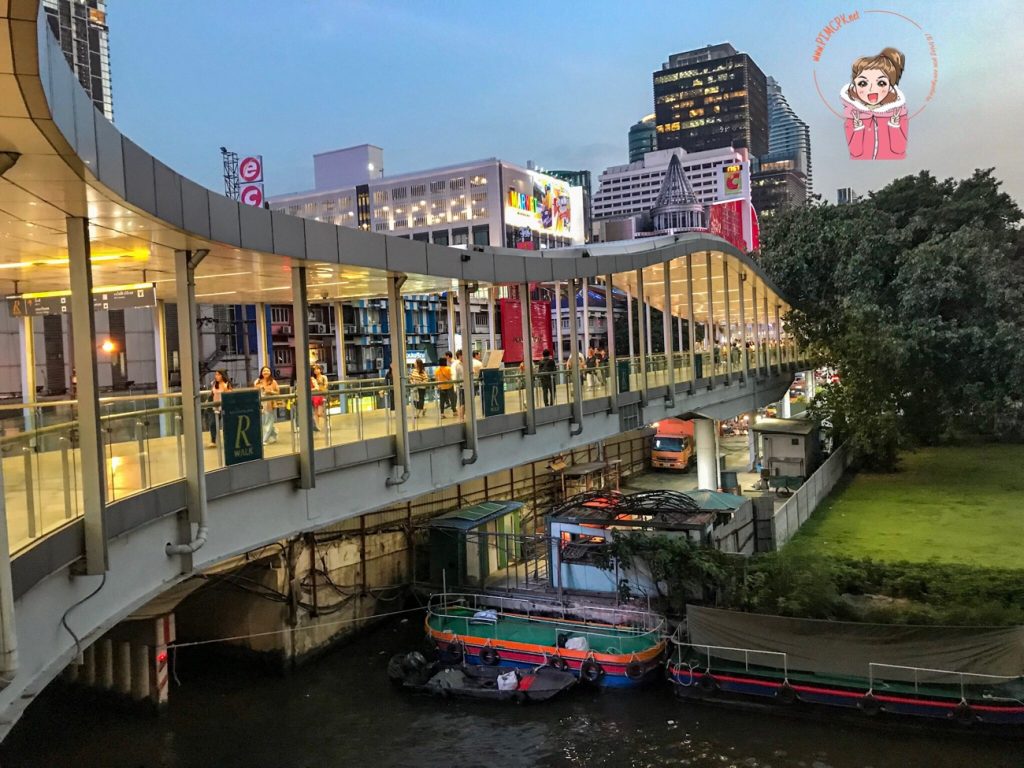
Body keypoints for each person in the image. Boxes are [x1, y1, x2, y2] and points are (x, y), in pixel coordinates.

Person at [841, 47, 908, 160]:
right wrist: (858, 128)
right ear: (855, 85)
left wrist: (894, 125)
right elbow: (855, 152)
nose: (872, 89)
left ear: (890, 86)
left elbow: (899, 149)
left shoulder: (898, 112)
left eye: (881, 83)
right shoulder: (852, 114)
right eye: (863, 83)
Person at [254, 366, 280, 444]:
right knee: (263, 421)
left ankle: (264, 439)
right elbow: (255, 392)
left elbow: (277, 392)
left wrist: (271, 392)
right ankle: (273, 434)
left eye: (267, 371)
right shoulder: (258, 381)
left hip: (270, 403)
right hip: (261, 404)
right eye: (264, 371)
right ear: (261, 372)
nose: (266, 372)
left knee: (269, 421)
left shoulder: (273, 382)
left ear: (270, 372)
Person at [208, 370, 231, 448]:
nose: (216, 376)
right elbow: (212, 394)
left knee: (226, 424)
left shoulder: (227, 384)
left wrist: (225, 389)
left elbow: (229, 395)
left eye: (218, 375)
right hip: (215, 407)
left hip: (224, 407)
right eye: (216, 375)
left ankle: (227, 440)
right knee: (212, 423)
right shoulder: (214, 384)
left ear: (223, 375)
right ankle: (213, 440)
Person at [310, 364, 328, 432]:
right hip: (315, 396)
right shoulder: (313, 378)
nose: (316, 370)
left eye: (317, 369)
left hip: (322, 395)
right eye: (315, 369)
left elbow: (326, 385)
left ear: (321, 370)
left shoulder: (324, 377)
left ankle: (327, 419)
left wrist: (322, 389)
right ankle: (317, 426)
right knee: (315, 413)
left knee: (319, 413)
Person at [453, 350, 466, 419]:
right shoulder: (458, 365)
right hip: (462, 387)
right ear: (460, 356)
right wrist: (456, 387)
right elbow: (456, 377)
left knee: (465, 403)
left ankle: (463, 417)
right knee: (462, 403)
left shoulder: (467, 364)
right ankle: (461, 418)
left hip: (467, 386)